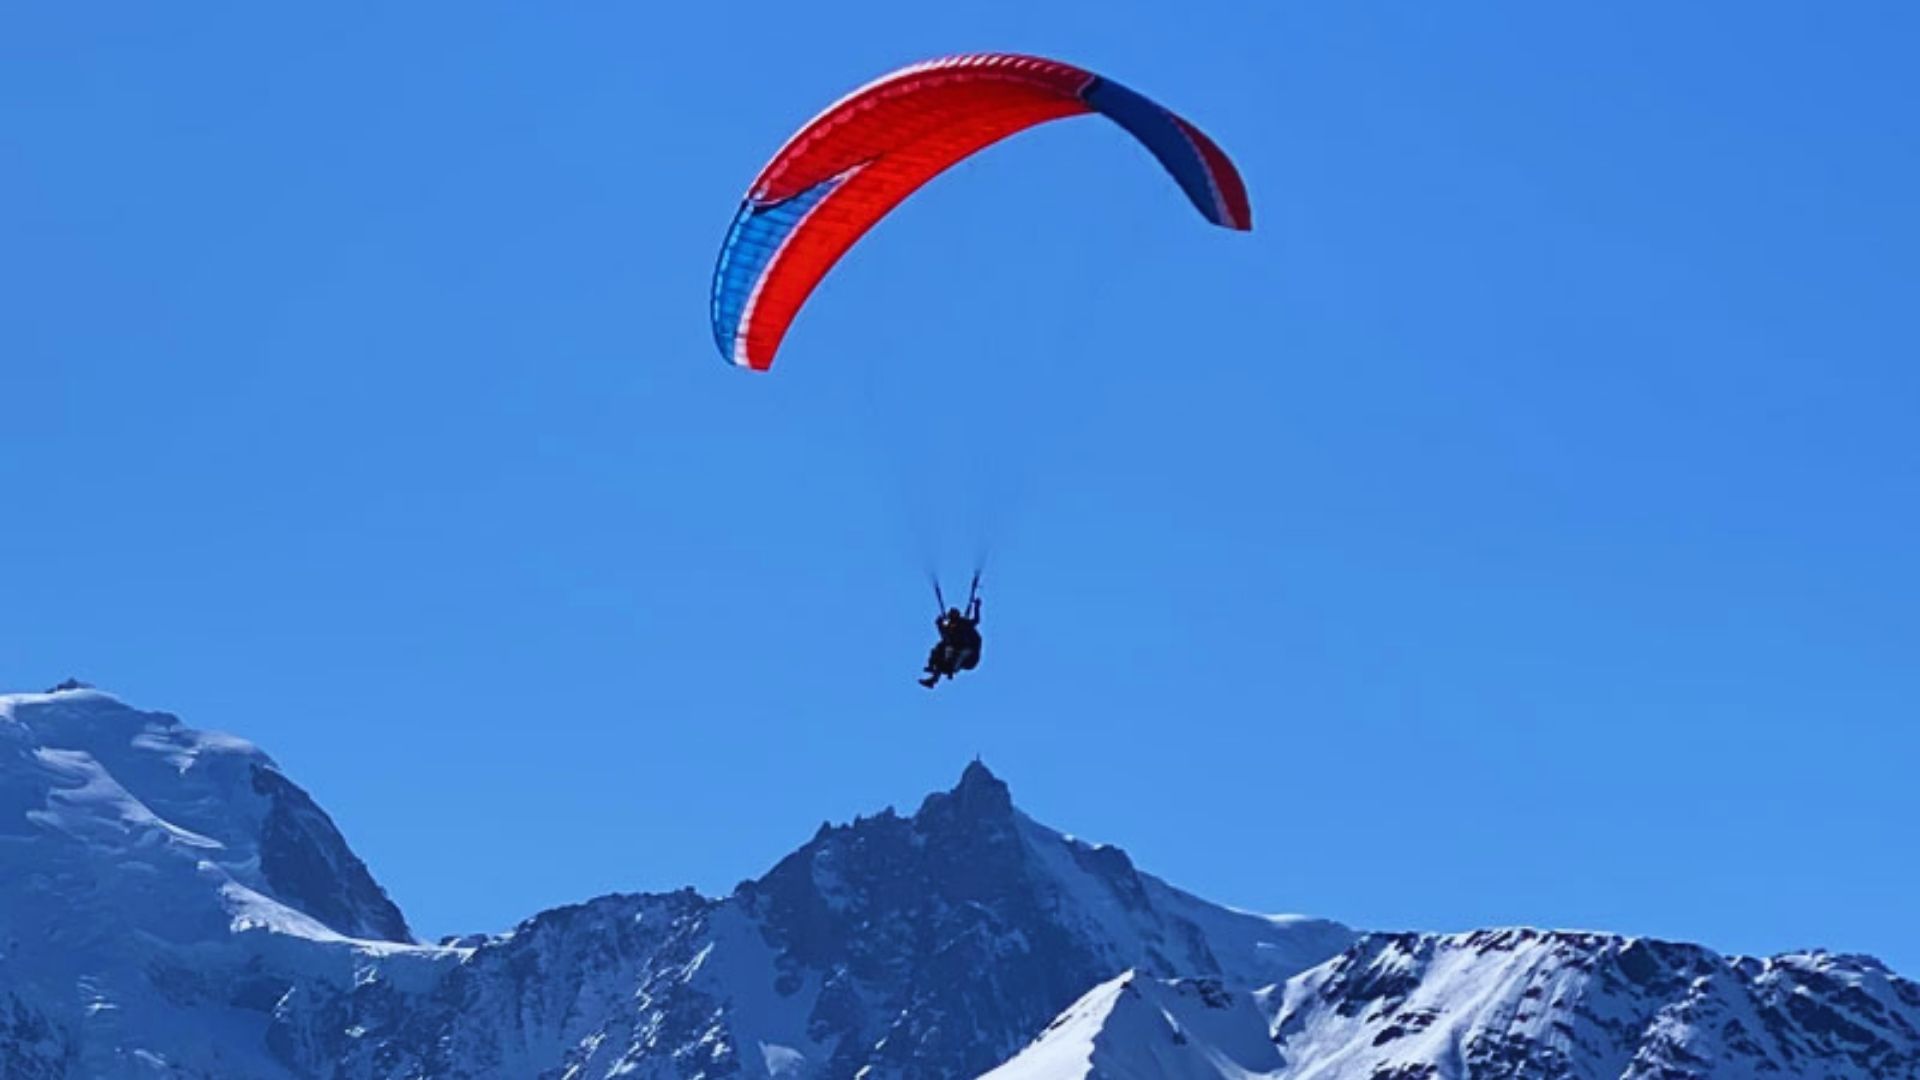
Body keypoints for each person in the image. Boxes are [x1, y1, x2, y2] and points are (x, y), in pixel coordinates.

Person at [919, 595, 982, 688]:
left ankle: (950, 668)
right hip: (958, 652)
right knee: (941, 649)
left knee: (953, 650)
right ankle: (933, 678)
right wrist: (939, 625)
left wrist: (976, 607)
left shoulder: (963, 623)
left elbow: (976, 620)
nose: (952, 624)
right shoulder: (950, 628)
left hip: (970, 657)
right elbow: (945, 637)